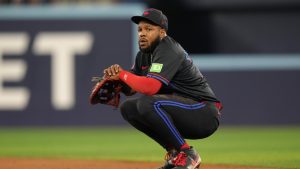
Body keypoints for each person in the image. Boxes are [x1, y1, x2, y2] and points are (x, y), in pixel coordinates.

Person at [103, 8, 222, 169]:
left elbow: (150, 88)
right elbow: (131, 89)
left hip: (203, 112)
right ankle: (175, 153)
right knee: (128, 108)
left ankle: (188, 155)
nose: (142, 33)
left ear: (162, 32)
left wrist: (122, 75)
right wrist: (117, 84)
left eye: (149, 29)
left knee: (149, 103)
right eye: (140, 29)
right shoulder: (143, 55)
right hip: (182, 110)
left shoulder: (169, 49)